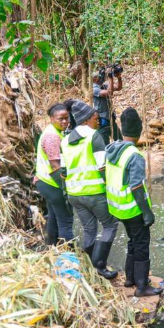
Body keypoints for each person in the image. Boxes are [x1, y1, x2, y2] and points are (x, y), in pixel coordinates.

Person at [105, 108, 162, 297]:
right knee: (141, 245)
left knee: (133, 241)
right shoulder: (134, 156)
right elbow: (136, 186)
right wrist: (147, 212)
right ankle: (142, 287)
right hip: (132, 209)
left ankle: (130, 279)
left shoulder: (112, 149)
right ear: (139, 131)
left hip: (117, 208)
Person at [60, 100, 118, 279]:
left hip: (75, 194)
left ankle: (88, 266)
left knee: (89, 229)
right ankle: (100, 265)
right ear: (85, 119)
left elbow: (63, 171)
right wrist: (111, 187)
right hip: (94, 192)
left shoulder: (66, 139)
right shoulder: (94, 136)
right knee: (110, 224)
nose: (98, 121)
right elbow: (102, 167)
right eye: (95, 118)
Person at [35, 103, 73, 245]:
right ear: (51, 119)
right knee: (66, 221)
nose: (64, 122)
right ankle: (68, 255)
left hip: (44, 181)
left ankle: (51, 247)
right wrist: (66, 190)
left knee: (54, 217)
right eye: (60, 119)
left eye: (66, 118)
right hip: (52, 183)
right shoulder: (52, 137)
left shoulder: (53, 131)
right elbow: (55, 166)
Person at [92, 67, 122, 145]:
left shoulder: (104, 85)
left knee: (120, 140)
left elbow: (118, 87)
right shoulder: (93, 89)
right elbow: (109, 93)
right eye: (100, 76)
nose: (103, 77)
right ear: (95, 79)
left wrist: (119, 77)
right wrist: (110, 78)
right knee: (105, 144)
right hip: (102, 119)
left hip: (110, 117)